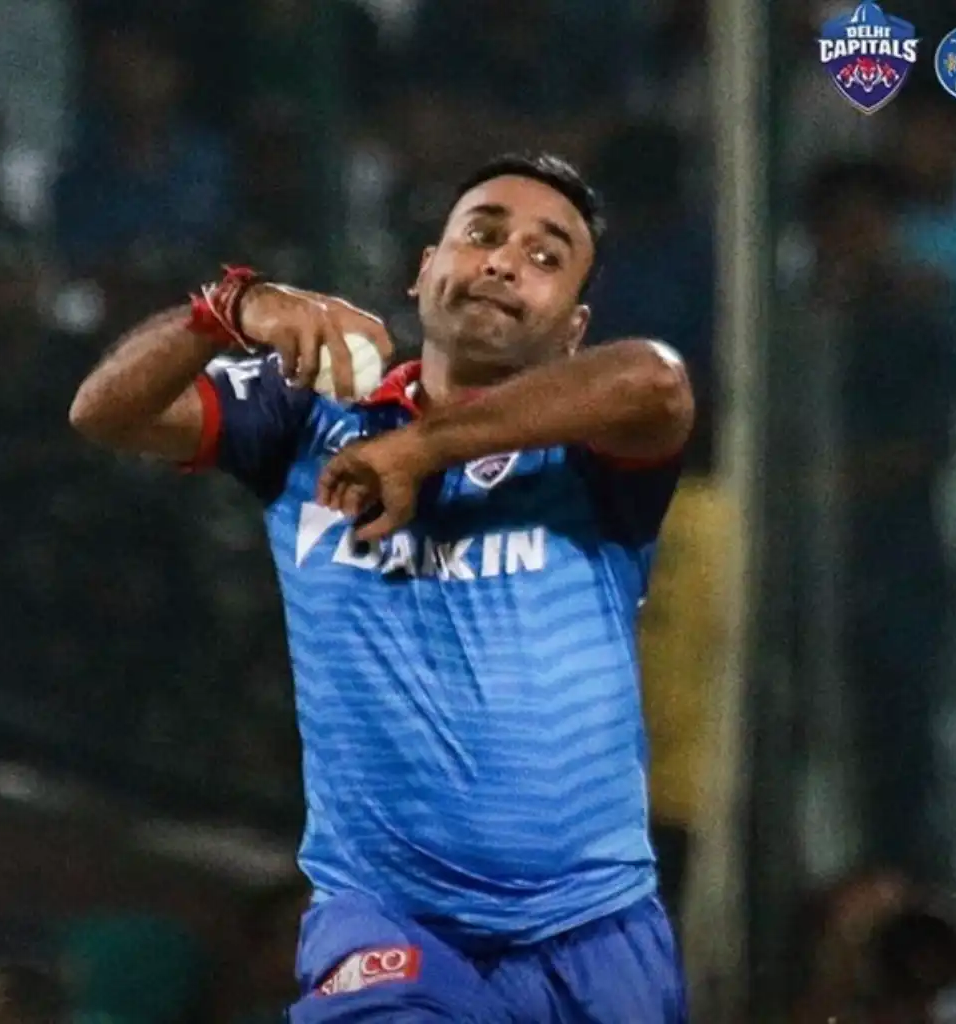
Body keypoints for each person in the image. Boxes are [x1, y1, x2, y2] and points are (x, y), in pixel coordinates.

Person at [70, 153, 694, 1023]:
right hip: (392, 926)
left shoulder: (595, 447)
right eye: (481, 235)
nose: (504, 262)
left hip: (596, 930)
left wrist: (423, 449)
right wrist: (226, 311)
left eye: (545, 256)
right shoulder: (306, 417)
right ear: (425, 270)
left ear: (574, 328)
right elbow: (104, 412)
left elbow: (657, 379)